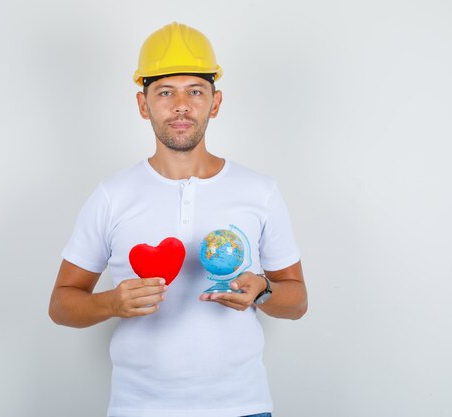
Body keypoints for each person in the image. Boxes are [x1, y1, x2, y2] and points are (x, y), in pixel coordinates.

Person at [49, 21, 307, 417]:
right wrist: (111, 303)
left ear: (215, 103)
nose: (181, 105)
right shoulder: (111, 195)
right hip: (138, 408)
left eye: (196, 91)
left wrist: (264, 290)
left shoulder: (261, 191)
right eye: (166, 92)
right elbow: (61, 305)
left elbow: (298, 301)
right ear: (143, 104)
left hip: (242, 406)